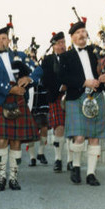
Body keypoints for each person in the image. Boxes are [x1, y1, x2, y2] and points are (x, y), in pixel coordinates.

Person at [59, 17, 105, 186]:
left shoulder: (96, 51)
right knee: (79, 137)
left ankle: (91, 173)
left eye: (83, 32)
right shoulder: (66, 56)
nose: (81, 35)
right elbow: (62, 77)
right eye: (77, 33)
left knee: (95, 137)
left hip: (96, 97)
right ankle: (76, 166)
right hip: (76, 97)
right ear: (72, 37)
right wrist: (84, 82)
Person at [0, 24, 43, 191]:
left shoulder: (21, 56)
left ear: (9, 41)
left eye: (4, 38)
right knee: (2, 140)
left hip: (18, 101)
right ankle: (1, 176)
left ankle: (13, 177)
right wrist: (10, 89)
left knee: (16, 140)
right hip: (1, 99)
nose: (2, 42)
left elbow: (38, 69)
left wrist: (29, 79)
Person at [41, 32, 70, 172]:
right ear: (53, 46)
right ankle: (58, 159)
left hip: (72, 95)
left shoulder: (71, 57)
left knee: (73, 128)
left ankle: (71, 160)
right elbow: (45, 79)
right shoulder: (47, 60)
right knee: (59, 127)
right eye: (59, 43)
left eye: (64, 42)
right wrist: (59, 87)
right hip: (56, 96)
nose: (62, 45)